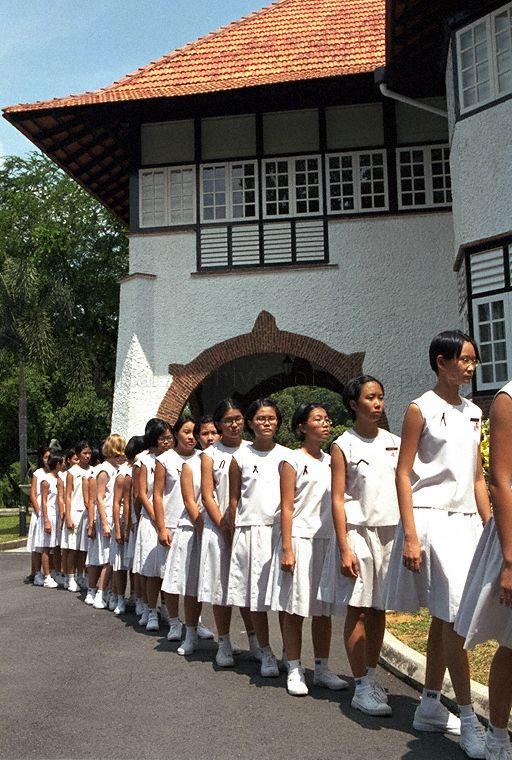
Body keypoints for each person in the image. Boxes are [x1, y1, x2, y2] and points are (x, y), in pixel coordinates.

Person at [385, 330, 491, 758]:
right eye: (465, 359)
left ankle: (429, 703)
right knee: (455, 620)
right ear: (442, 361)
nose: (471, 367)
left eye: (474, 360)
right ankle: (467, 715)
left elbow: (478, 477)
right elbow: (402, 473)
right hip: (432, 522)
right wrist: (410, 534)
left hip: (468, 524)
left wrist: (491, 529)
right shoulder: (420, 409)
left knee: (447, 618)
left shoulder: (473, 411)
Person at [318, 376, 399, 714]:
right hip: (357, 532)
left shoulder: (394, 441)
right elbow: (338, 499)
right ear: (354, 404)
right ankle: (360, 686)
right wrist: (344, 546)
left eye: (380, 396)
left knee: (380, 609)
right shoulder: (343, 445)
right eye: (370, 397)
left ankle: (371, 675)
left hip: (389, 532)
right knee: (359, 607)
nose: (377, 404)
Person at [267, 402, 347, 696]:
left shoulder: (332, 460)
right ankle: (294, 667)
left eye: (327, 418)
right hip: (299, 539)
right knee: (295, 608)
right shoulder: (291, 460)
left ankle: (323, 667)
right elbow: (286, 507)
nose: (325, 424)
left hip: (327, 540)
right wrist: (287, 548)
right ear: (302, 427)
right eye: (318, 419)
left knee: (323, 609)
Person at [455, 381, 512, 759]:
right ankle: (498, 734)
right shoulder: (508, 398)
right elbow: (500, 480)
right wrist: (510, 558)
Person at [227, 398, 289, 677]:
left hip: (278, 532)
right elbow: (233, 500)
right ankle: (265, 651)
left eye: (272, 418)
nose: (267, 423)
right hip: (249, 531)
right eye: (261, 418)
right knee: (255, 597)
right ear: (251, 423)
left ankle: (291, 653)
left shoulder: (289, 456)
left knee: (285, 597)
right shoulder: (239, 458)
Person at [197, 399, 260, 667]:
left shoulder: (252, 450)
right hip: (218, 528)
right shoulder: (210, 454)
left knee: (247, 587)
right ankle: (224, 643)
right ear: (219, 425)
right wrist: (223, 525)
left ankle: (257, 643)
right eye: (228, 420)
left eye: (238, 419)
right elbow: (208, 493)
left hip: (246, 528)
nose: (234, 424)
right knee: (221, 587)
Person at [158, 415, 213, 654]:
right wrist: (161, 526)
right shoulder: (165, 460)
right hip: (174, 523)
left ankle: (195, 622)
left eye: (195, 433)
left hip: (201, 525)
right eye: (186, 432)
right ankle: (173, 621)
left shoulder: (206, 459)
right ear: (176, 433)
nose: (191, 437)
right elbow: (157, 495)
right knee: (173, 578)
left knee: (194, 579)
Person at [134, 419, 174, 631]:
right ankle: (151, 610)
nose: (167, 442)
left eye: (169, 437)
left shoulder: (176, 459)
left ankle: (168, 609)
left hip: (171, 520)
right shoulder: (143, 461)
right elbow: (142, 493)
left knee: (168, 569)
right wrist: (157, 521)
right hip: (151, 521)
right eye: (162, 438)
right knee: (151, 570)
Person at [86, 435, 126, 610]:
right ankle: (100, 592)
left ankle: (107, 592)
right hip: (107, 517)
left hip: (114, 516)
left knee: (110, 558)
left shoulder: (117, 469)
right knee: (108, 559)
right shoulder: (104, 470)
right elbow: (99, 499)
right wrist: (103, 522)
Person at [61, 442, 91, 592]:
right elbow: (67, 496)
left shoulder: (92, 471)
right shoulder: (72, 472)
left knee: (83, 548)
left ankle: (81, 575)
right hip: (75, 511)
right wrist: (68, 517)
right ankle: (70, 577)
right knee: (72, 548)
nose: (87, 456)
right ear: (78, 454)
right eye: (84, 453)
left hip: (87, 514)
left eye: (89, 453)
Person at [36, 455, 64, 588]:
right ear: (57, 464)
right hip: (49, 516)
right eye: (62, 463)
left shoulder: (58, 479)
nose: (63, 465)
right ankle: (47, 576)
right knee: (46, 547)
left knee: (57, 546)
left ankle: (57, 572)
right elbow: (44, 502)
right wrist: (46, 520)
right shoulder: (46, 481)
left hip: (57, 517)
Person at [27, 446, 50, 585]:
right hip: (40, 513)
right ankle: (36, 572)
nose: (48, 460)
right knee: (37, 545)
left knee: (48, 546)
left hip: (51, 513)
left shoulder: (56, 473)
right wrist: (40, 512)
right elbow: (33, 495)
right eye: (46, 457)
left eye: (50, 457)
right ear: (42, 458)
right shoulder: (38, 473)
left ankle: (50, 571)